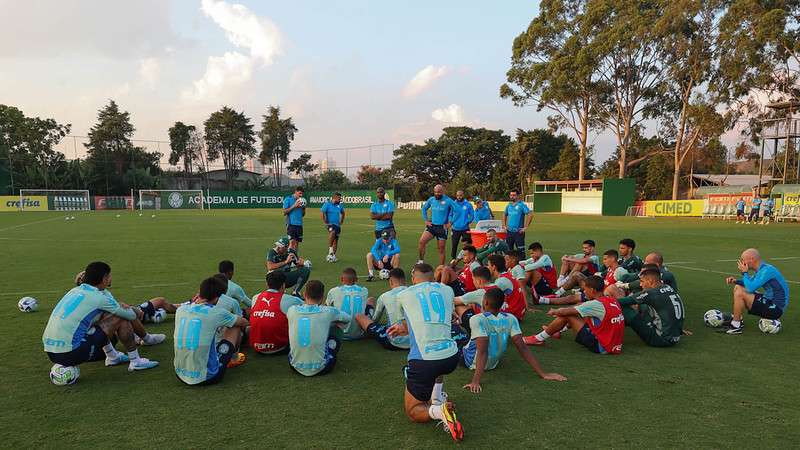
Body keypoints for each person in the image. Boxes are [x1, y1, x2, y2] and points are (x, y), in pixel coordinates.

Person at [387, 263, 463, 442]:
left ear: (413, 278)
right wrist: (406, 328)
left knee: (413, 411)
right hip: (451, 356)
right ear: (432, 276)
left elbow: (410, 319)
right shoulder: (447, 290)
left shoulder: (403, 294)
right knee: (438, 353)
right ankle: (436, 398)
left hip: (425, 361)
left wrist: (401, 328)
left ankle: (439, 410)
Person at [44, 262, 160, 373]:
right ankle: (136, 361)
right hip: (72, 353)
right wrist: (132, 309)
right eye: (109, 276)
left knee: (100, 315)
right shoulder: (99, 298)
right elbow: (131, 315)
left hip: (51, 353)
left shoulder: (74, 291)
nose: (111, 278)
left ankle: (112, 356)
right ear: (104, 279)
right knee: (120, 317)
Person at [462, 289, 566, 394]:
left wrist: (475, 381)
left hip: (472, 362)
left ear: (485, 302)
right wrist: (543, 374)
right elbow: (522, 347)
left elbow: (482, 351)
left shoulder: (476, 319)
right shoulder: (511, 318)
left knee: (457, 337)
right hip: (493, 363)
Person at [173, 276, 249, 385]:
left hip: (179, 373)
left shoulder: (181, 309)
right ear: (217, 297)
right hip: (207, 377)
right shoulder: (217, 312)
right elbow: (243, 322)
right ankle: (234, 359)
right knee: (235, 326)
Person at [523, 275, 624, 354]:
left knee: (568, 315)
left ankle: (538, 339)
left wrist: (555, 311)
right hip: (614, 344)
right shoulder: (611, 299)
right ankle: (558, 331)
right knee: (580, 310)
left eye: (585, 289)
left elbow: (565, 312)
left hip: (602, 347)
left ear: (592, 290)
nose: (584, 291)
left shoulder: (595, 304)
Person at [287, 280, 351, 376]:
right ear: (322, 297)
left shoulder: (292, 310)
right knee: (338, 325)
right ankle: (331, 347)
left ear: (304, 295)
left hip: (295, 366)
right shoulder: (328, 311)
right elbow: (347, 318)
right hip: (322, 368)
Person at [719, 248, 789, 334]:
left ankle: (735, 326)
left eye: (743, 259)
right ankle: (738, 319)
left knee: (740, 293)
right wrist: (735, 281)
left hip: (775, 309)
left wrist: (745, 273)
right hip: (770, 302)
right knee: (738, 287)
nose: (741, 262)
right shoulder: (762, 269)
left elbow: (750, 288)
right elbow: (749, 283)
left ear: (751, 259)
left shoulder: (767, 271)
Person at [617, 265, 684, 347]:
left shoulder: (651, 293)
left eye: (642, 281)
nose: (641, 285)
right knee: (642, 305)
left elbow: (622, 301)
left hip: (661, 339)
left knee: (621, 307)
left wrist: (601, 301)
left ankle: (610, 328)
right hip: (674, 337)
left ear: (650, 281)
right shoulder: (668, 287)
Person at [454, 255, 527, 321]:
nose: (487, 268)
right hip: (515, 313)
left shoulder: (502, 281)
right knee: (473, 303)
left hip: (512, 315)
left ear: (494, 267)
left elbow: (489, 293)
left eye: (488, 265)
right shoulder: (506, 277)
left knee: (469, 303)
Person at [248, 271, 303, 355]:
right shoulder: (291, 300)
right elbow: (309, 305)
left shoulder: (256, 297)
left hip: (257, 347)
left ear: (267, 284)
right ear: (283, 285)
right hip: (280, 347)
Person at [355, 268, 410, 350]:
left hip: (393, 341)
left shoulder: (384, 296)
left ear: (390, 281)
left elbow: (375, 319)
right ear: (405, 281)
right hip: (417, 341)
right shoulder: (414, 292)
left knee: (359, 316)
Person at [325, 268, 371, 340]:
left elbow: (327, 306)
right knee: (371, 300)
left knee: (329, 309)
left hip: (338, 333)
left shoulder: (333, 291)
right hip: (358, 334)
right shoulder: (364, 290)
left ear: (341, 279)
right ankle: (368, 325)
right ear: (356, 279)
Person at [419, 184, 459, 267]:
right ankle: (421, 261)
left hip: (442, 228)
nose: (437, 194)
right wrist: (426, 220)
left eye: (439, 192)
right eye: (435, 192)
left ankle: (441, 267)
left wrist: (450, 223)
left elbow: (457, 211)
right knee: (422, 242)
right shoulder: (431, 199)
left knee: (441, 249)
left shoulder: (448, 200)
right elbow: (424, 209)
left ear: (442, 192)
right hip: (432, 226)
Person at [449, 190, 474, 260]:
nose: (459, 197)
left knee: (468, 245)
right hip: (455, 228)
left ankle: (470, 259)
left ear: (463, 195)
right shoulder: (453, 204)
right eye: (457, 195)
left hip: (465, 229)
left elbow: (472, 215)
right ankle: (453, 259)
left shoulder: (468, 204)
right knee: (454, 245)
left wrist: (467, 221)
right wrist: (451, 221)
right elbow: (450, 215)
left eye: (460, 195)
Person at [321, 192, 346, 262]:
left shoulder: (339, 205)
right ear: (334, 198)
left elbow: (343, 213)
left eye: (340, 198)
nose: (340, 200)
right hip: (330, 224)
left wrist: (341, 221)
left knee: (336, 241)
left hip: (337, 225)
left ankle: (333, 256)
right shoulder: (327, 204)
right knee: (333, 232)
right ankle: (330, 250)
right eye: (339, 198)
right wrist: (325, 222)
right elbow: (322, 212)